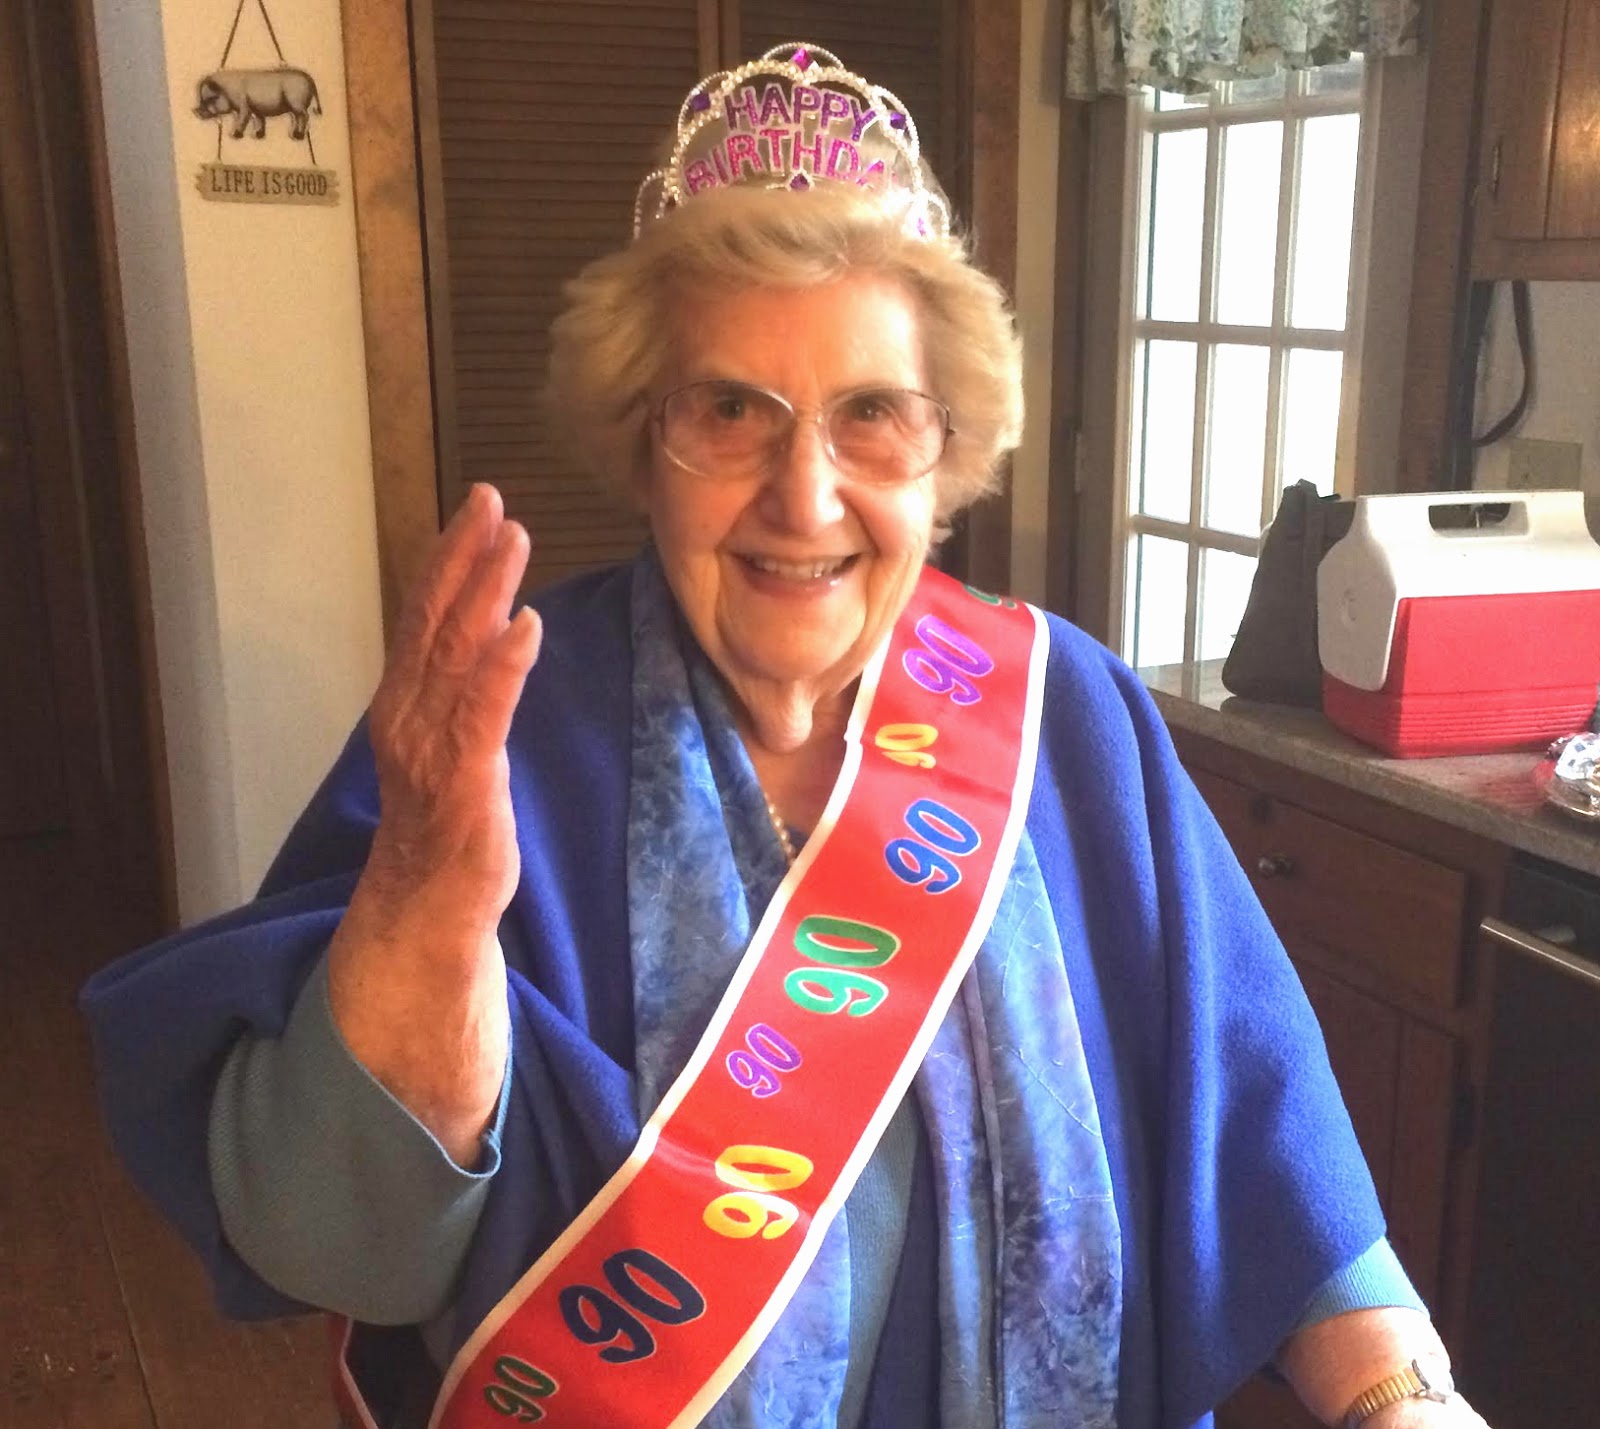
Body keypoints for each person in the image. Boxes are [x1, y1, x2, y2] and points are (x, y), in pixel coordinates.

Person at [83, 44, 1493, 1429]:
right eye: (728, 412)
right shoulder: (503, 730)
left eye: (871, 414)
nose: (803, 497)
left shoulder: (1070, 716)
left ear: (946, 453)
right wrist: (419, 914)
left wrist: (1402, 1398)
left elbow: (1269, 1150)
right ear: (642, 440)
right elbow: (330, 1247)